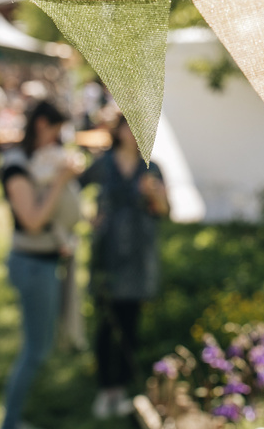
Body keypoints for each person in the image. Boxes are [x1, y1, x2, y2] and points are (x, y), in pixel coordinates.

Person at [0, 100, 84, 429]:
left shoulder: (38, 160)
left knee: (39, 347)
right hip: (32, 264)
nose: (60, 138)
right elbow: (33, 220)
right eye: (57, 129)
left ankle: (12, 419)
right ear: (41, 125)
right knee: (35, 350)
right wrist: (60, 181)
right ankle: (9, 422)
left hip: (47, 260)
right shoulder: (16, 165)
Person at [81, 116, 169, 419]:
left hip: (138, 256)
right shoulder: (103, 164)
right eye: (126, 126)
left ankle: (121, 388)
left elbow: (165, 210)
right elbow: (73, 187)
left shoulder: (152, 167)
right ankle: (105, 390)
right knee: (107, 324)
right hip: (108, 254)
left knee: (130, 325)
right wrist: (87, 219)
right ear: (117, 130)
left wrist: (154, 195)